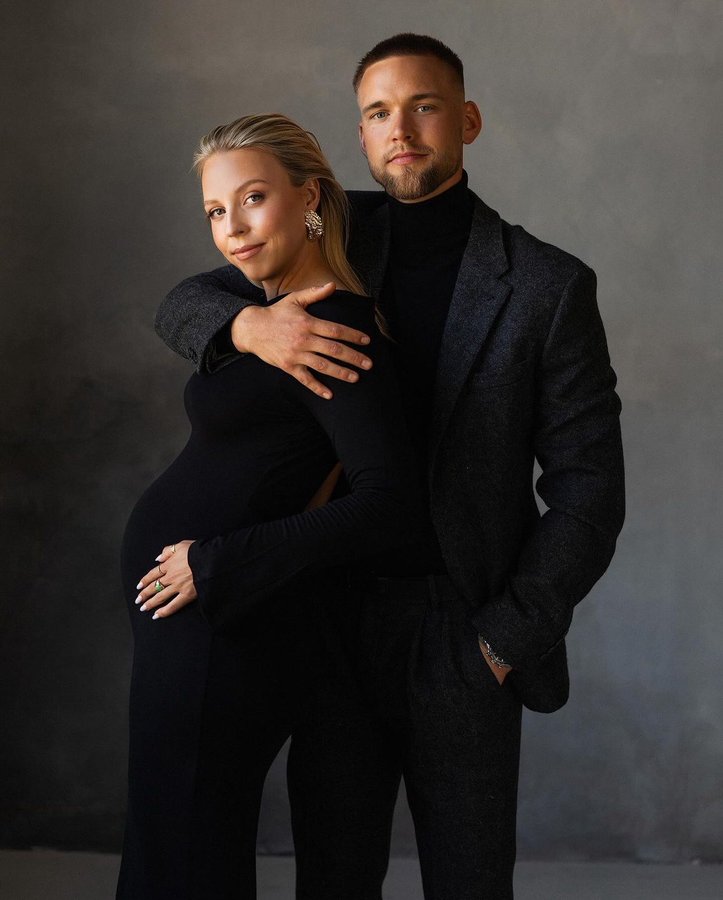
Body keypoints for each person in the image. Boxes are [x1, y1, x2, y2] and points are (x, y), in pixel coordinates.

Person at [155, 34, 625, 900]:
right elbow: (181, 302)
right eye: (377, 113)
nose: (399, 130)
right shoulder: (322, 228)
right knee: (331, 880)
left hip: (461, 626)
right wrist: (247, 326)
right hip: (325, 613)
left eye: (423, 107)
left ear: (467, 121)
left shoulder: (547, 286)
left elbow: (589, 491)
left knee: (468, 883)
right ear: (361, 136)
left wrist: (501, 642)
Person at [117, 112, 424, 899]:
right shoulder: (254, 306)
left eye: (252, 199)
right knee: (168, 844)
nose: (232, 228)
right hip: (187, 623)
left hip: (224, 618)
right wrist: (249, 326)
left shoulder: (336, 330)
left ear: (309, 197)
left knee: (186, 853)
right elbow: (177, 304)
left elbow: (390, 504)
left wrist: (218, 563)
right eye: (215, 211)